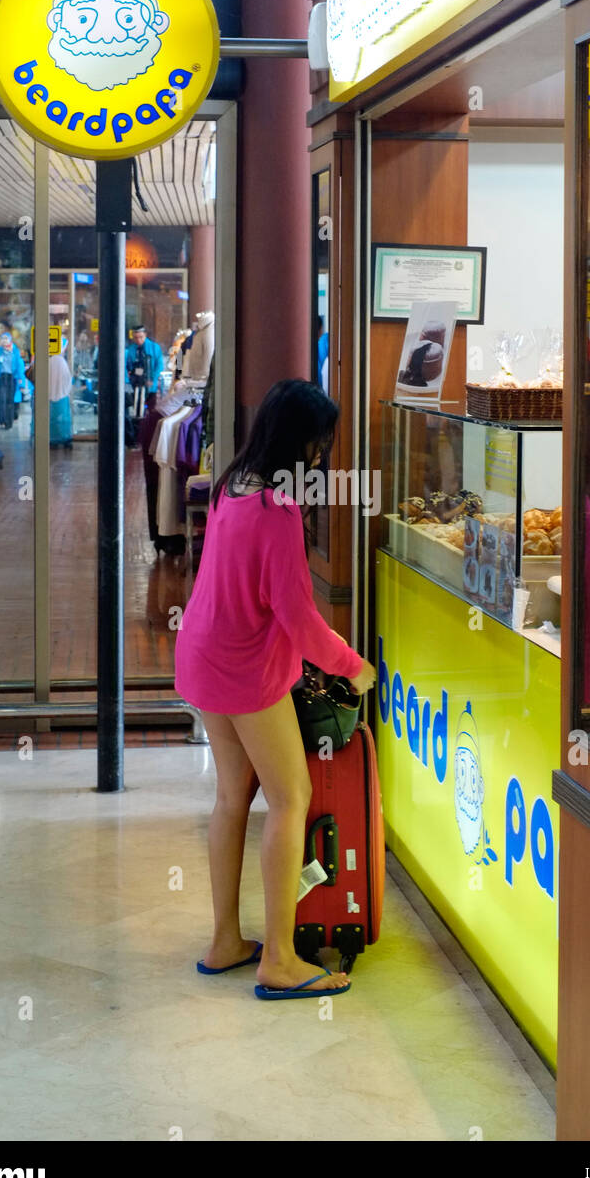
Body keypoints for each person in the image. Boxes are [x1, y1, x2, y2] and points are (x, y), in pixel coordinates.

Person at [175, 379, 376, 1000]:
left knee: (233, 799)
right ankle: (280, 961)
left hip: (203, 655)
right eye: (320, 445)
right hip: (245, 672)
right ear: (303, 446)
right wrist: (352, 666)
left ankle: (226, 942)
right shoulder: (279, 514)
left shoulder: (234, 483)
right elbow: (298, 618)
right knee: (291, 800)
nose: (323, 456)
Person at [0, 332, 27, 430]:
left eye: (6, 338)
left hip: (11, 378)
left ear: (10, 340)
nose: (4, 340)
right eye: (2, 338)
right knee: (1, 400)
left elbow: (19, 367)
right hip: (0, 377)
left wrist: (21, 381)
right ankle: (2, 420)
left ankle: (9, 422)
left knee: (10, 401)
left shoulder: (15, 351)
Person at [125, 324, 163, 416]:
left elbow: (159, 366)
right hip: (136, 383)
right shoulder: (131, 350)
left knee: (152, 410)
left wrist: (152, 380)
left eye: (141, 337)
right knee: (136, 410)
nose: (138, 340)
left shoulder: (154, 347)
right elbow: (128, 368)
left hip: (151, 385)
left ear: (145, 335)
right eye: (136, 338)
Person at [49, 339, 73, 448]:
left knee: (52, 418)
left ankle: (53, 439)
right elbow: (67, 380)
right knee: (63, 417)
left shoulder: (49, 361)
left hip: (49, 396)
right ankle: (65, 438)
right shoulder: (61, 362)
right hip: (62, 396)